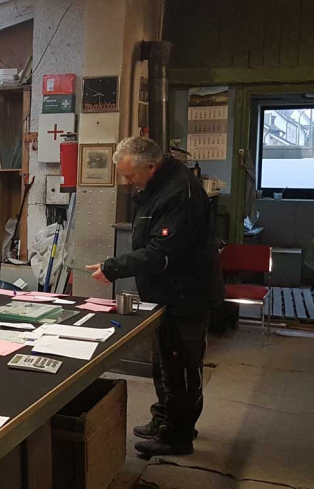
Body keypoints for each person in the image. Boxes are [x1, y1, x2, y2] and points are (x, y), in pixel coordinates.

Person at [85, 136, 223, 457]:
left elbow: (162, 252)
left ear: (151, 166)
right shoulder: (157, 186)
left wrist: (113, 267)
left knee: (182, 367)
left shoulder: (180, 193)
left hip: (185, 296)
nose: (128, 182)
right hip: (165, 295)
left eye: (131, 176)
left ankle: (178, 436)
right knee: (164, 364)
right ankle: (165, 419)